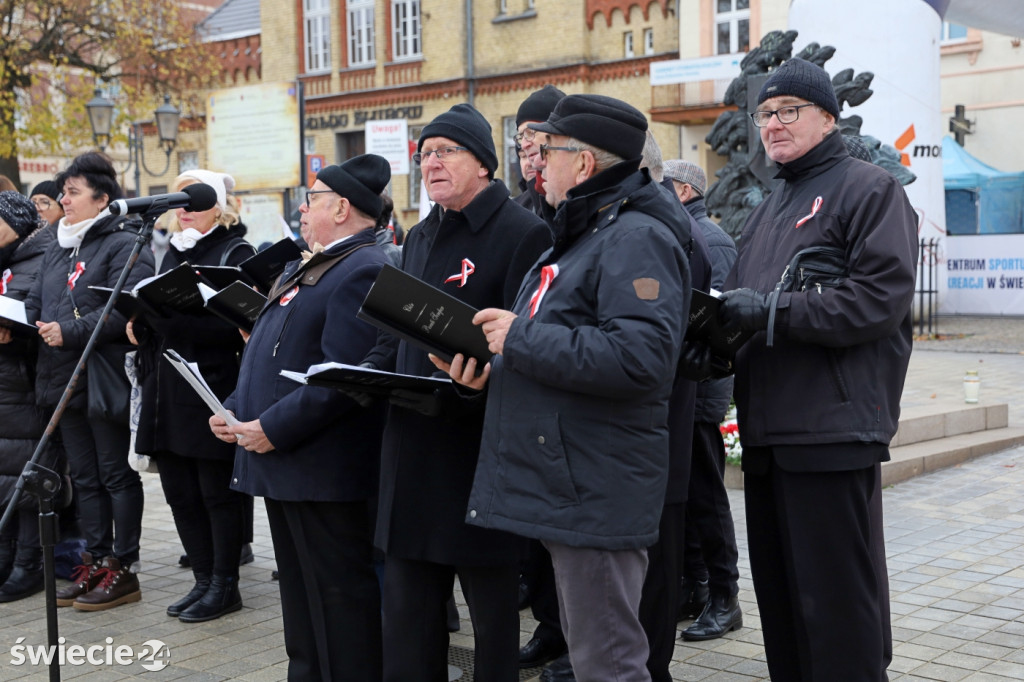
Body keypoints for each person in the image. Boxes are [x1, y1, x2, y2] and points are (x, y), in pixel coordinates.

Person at [436, 94, 690, 682]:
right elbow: (557, 348)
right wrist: (484, 373)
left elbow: (640, 357)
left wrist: (517, 339)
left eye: (545, 150)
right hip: (571, 478)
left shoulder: (634, 237)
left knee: (610, 660)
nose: (535, 163)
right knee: (595, 650)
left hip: (596, 483)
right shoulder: (583, 232)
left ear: (583, 164)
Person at [688, 57, 917, 680]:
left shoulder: (870, 189)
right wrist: (706, 343)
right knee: (786, 611)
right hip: (766, 435)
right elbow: (736, 307)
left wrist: (770, 312)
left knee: (839, 612)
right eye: (764, 113)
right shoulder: (767, 208)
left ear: (826, 116)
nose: (772, 125)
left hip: (832, 432)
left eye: (789, 110)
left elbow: (877, 300)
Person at [362, 103, 551, 682]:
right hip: (411, 449)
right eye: (424, 155)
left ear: (484, 164)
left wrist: (482, 383)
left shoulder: (524, 231)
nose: (431, 164)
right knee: (408, 623)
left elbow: (532, 342)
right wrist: (363, 376)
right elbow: (399, 333)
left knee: (493, 625)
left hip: (478, 452)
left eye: (446, 152)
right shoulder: (419, 235)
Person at [209, 155, 391, 681]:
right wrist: (236, 409)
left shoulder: (363, 268)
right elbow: (275, 353)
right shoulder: (313, 263)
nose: (303, 209)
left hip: (322, 468)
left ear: (340, 207)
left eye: (311, 198)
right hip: (289, 463)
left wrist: (273, 427)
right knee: (300, 593)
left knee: (338, 598)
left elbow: (344, 376)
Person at [22, 151, 155, 610]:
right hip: (61, 377)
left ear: (103, 200)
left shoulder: (126, 243)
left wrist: (71, 330)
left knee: (114, 474)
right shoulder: (58, 242)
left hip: (100, 378)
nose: (64, 199)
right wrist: (28, 321)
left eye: (73, 192)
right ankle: (95, 559)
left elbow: (124, 309)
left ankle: (124, 566)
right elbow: (39, 298)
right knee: (85, 476)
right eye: (63, 191)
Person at [128, 170, 256, 623]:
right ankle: (202, 580)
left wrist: (163, 321)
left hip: (211, 386)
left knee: (213, 493)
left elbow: (236, 327)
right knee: (179, 492)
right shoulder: (171, 252)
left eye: (193, 199)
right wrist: (138, 320)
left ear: (218, 206)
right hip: (167, 386)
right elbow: (159, 311)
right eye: (178, 199)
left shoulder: (234, 251)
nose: (183, 208)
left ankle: (225, 585)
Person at [663, 159, 743, 642]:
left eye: (664, 186)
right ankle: (694, 587)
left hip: (703, 390)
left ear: (686, 190)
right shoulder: (684, 229)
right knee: (689, 497)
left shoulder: (710, 238)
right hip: (684, 388)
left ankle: (724, 597)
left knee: (708, 498)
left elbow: (717, 317)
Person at [0, 192, 60, 602]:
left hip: (23, 379)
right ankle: (4, 560)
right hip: (3, 381)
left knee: (23, 474)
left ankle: (28, 565)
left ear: (16, 225)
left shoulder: (38, 257)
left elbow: (40, 314)